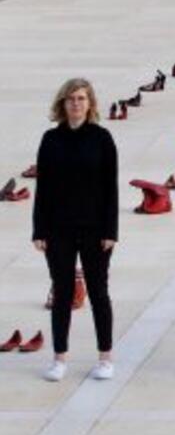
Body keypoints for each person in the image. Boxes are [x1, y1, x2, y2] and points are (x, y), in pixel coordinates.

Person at [33, 78, 118, 382]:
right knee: (63, 292)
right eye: (71, 99)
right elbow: (43, 188)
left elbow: (110, 188)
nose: (76, 104)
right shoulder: (50, 140)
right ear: (63, 103)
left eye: (81, 98)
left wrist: (111, 231)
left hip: (96, 230)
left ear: (90, 103)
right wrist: (39, 230)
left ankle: (105, 358)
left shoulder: (102, 139)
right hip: (59, 230)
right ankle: (59, 359)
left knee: (98, 292)